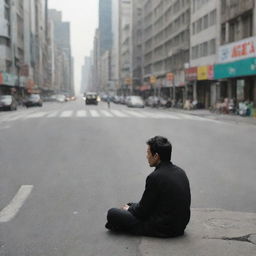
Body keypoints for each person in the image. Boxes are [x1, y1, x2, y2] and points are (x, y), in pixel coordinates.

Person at [105, 136, 191, 238]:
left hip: (164, 228)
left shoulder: (155, 177)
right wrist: (131, 206)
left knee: (112, 213)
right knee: (130, 205)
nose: (147, 156)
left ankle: (122, 222)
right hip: (180, 226)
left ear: (156, 156)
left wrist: (128, 209)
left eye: (148, 153)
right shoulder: (180, 172)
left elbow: (141, 212)